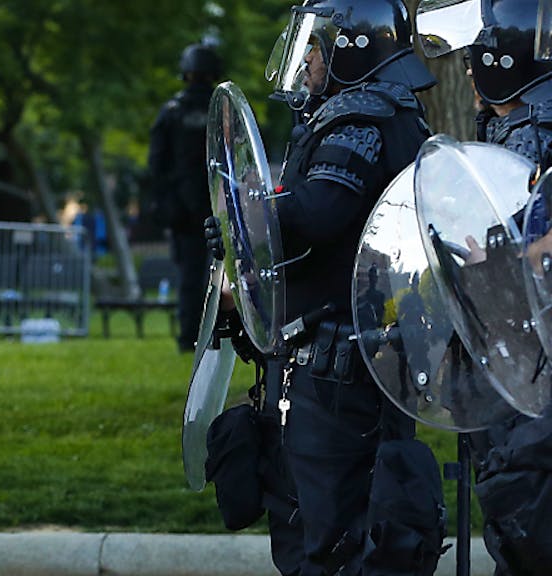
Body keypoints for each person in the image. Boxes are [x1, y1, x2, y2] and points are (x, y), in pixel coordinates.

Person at [205, 1, 446, 574]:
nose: (308, 58)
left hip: (340, 374)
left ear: (351, 50)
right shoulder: (382, 114)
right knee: (321, 534)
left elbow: (319, 214)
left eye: (317, 45)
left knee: (333, 544)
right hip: (344, 363)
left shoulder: (361, 117)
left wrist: (249, 213)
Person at [447, 1, 552, 573]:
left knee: (527, 524)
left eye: (474, 58)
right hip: (513, 353)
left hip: (532, 359)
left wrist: (499, 263)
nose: (468, 70)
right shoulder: (512, 126)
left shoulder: (535, 132)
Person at [148, 42, 221, 352]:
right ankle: (219, 335)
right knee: (224, 275)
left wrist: (166, 203)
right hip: (219, 204)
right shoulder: (222, 108)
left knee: (189, 276)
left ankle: (189, 336)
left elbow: (156, 165)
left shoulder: (172, 112)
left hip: (183, 209)